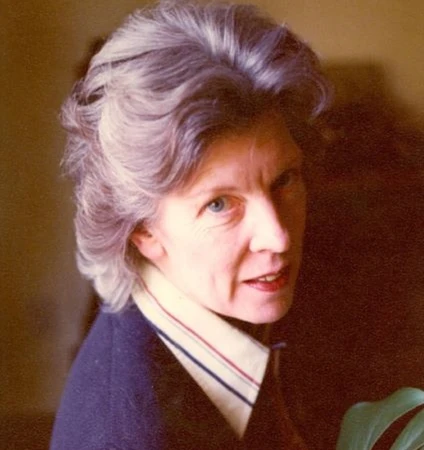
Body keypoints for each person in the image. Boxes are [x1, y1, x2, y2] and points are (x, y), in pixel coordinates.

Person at [50, 1, 330, 449]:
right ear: (142, 229)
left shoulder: (232, 300)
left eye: (284, 180)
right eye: (220, 204)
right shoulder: (129, 435)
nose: (277, 236)